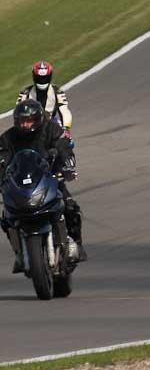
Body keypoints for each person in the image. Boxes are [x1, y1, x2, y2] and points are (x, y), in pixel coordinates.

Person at [0, 99, 86, 271]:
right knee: (7, 218)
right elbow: (2, 158)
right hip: (20, 187)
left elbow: (63, 146)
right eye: (22, 121)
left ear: (38, 119)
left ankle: (75, 243)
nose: (25, 124)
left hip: (49, 179)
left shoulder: (50, 129)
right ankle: (19, 253)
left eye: (29, 120)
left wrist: (67, 164)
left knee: (70, 208)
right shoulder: (7, 138)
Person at [17, 61, 73, 133]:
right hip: (31, 125)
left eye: (45, 78)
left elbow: (64, 110)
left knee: (68, 141)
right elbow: (18, 113)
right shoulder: (25, 93)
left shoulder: (57, 92)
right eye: (39, 78)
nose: (42, 81)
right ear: (34, 77)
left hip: (51, 123)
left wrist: (66, 128)